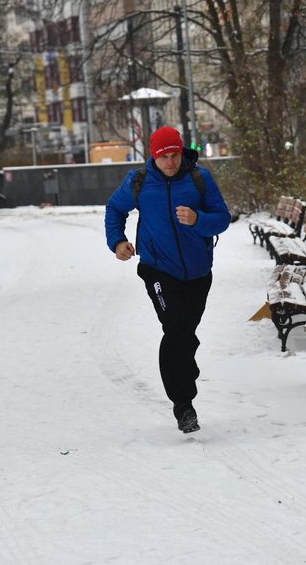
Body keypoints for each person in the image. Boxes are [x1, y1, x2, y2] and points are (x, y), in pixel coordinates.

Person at [104, 125, 231, 433]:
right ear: (153, 157)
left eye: (174, 155)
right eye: (164, 157)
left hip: (199, 273)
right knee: (175, 328)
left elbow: (223, 218)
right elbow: (114, 209)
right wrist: (117, 241)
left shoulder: (200, 179)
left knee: (185, 334)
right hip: (158, 269)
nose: (170, 163)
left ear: (181, 152)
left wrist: (199, 220)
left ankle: (185, 363)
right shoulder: (139, 182)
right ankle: (183, 405)